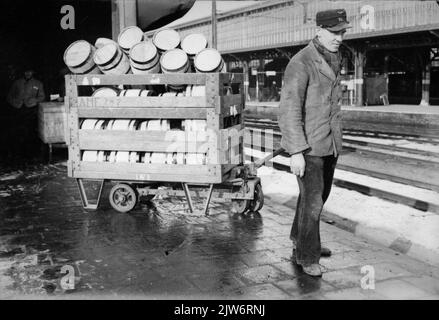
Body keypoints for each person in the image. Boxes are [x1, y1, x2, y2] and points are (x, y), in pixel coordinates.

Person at [278, 9, 351, 277]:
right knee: (313, 203)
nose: (340, 37)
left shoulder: (333, 56)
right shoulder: (301, 62)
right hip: (308, 148)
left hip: (329, 143)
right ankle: (307, 256)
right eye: (335, 32)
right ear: (319, 30)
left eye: (342, 32)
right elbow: (289, 109)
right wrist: (295, 151)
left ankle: (300, 240)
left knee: (315, 197)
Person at [6, 67, 45, 159]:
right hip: (18, 110)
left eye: (30, 71)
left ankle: (30, 154)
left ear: (33, 72)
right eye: (26, 71)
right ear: (23, 72)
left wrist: (34, 101)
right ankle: (18, 153)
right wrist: (15, 103)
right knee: (17, 132)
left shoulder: (38, 83)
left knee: (30, 132)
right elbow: (9, 96)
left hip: (31, 110)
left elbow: (42, 97)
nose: (28, 73)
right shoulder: (17, 83)